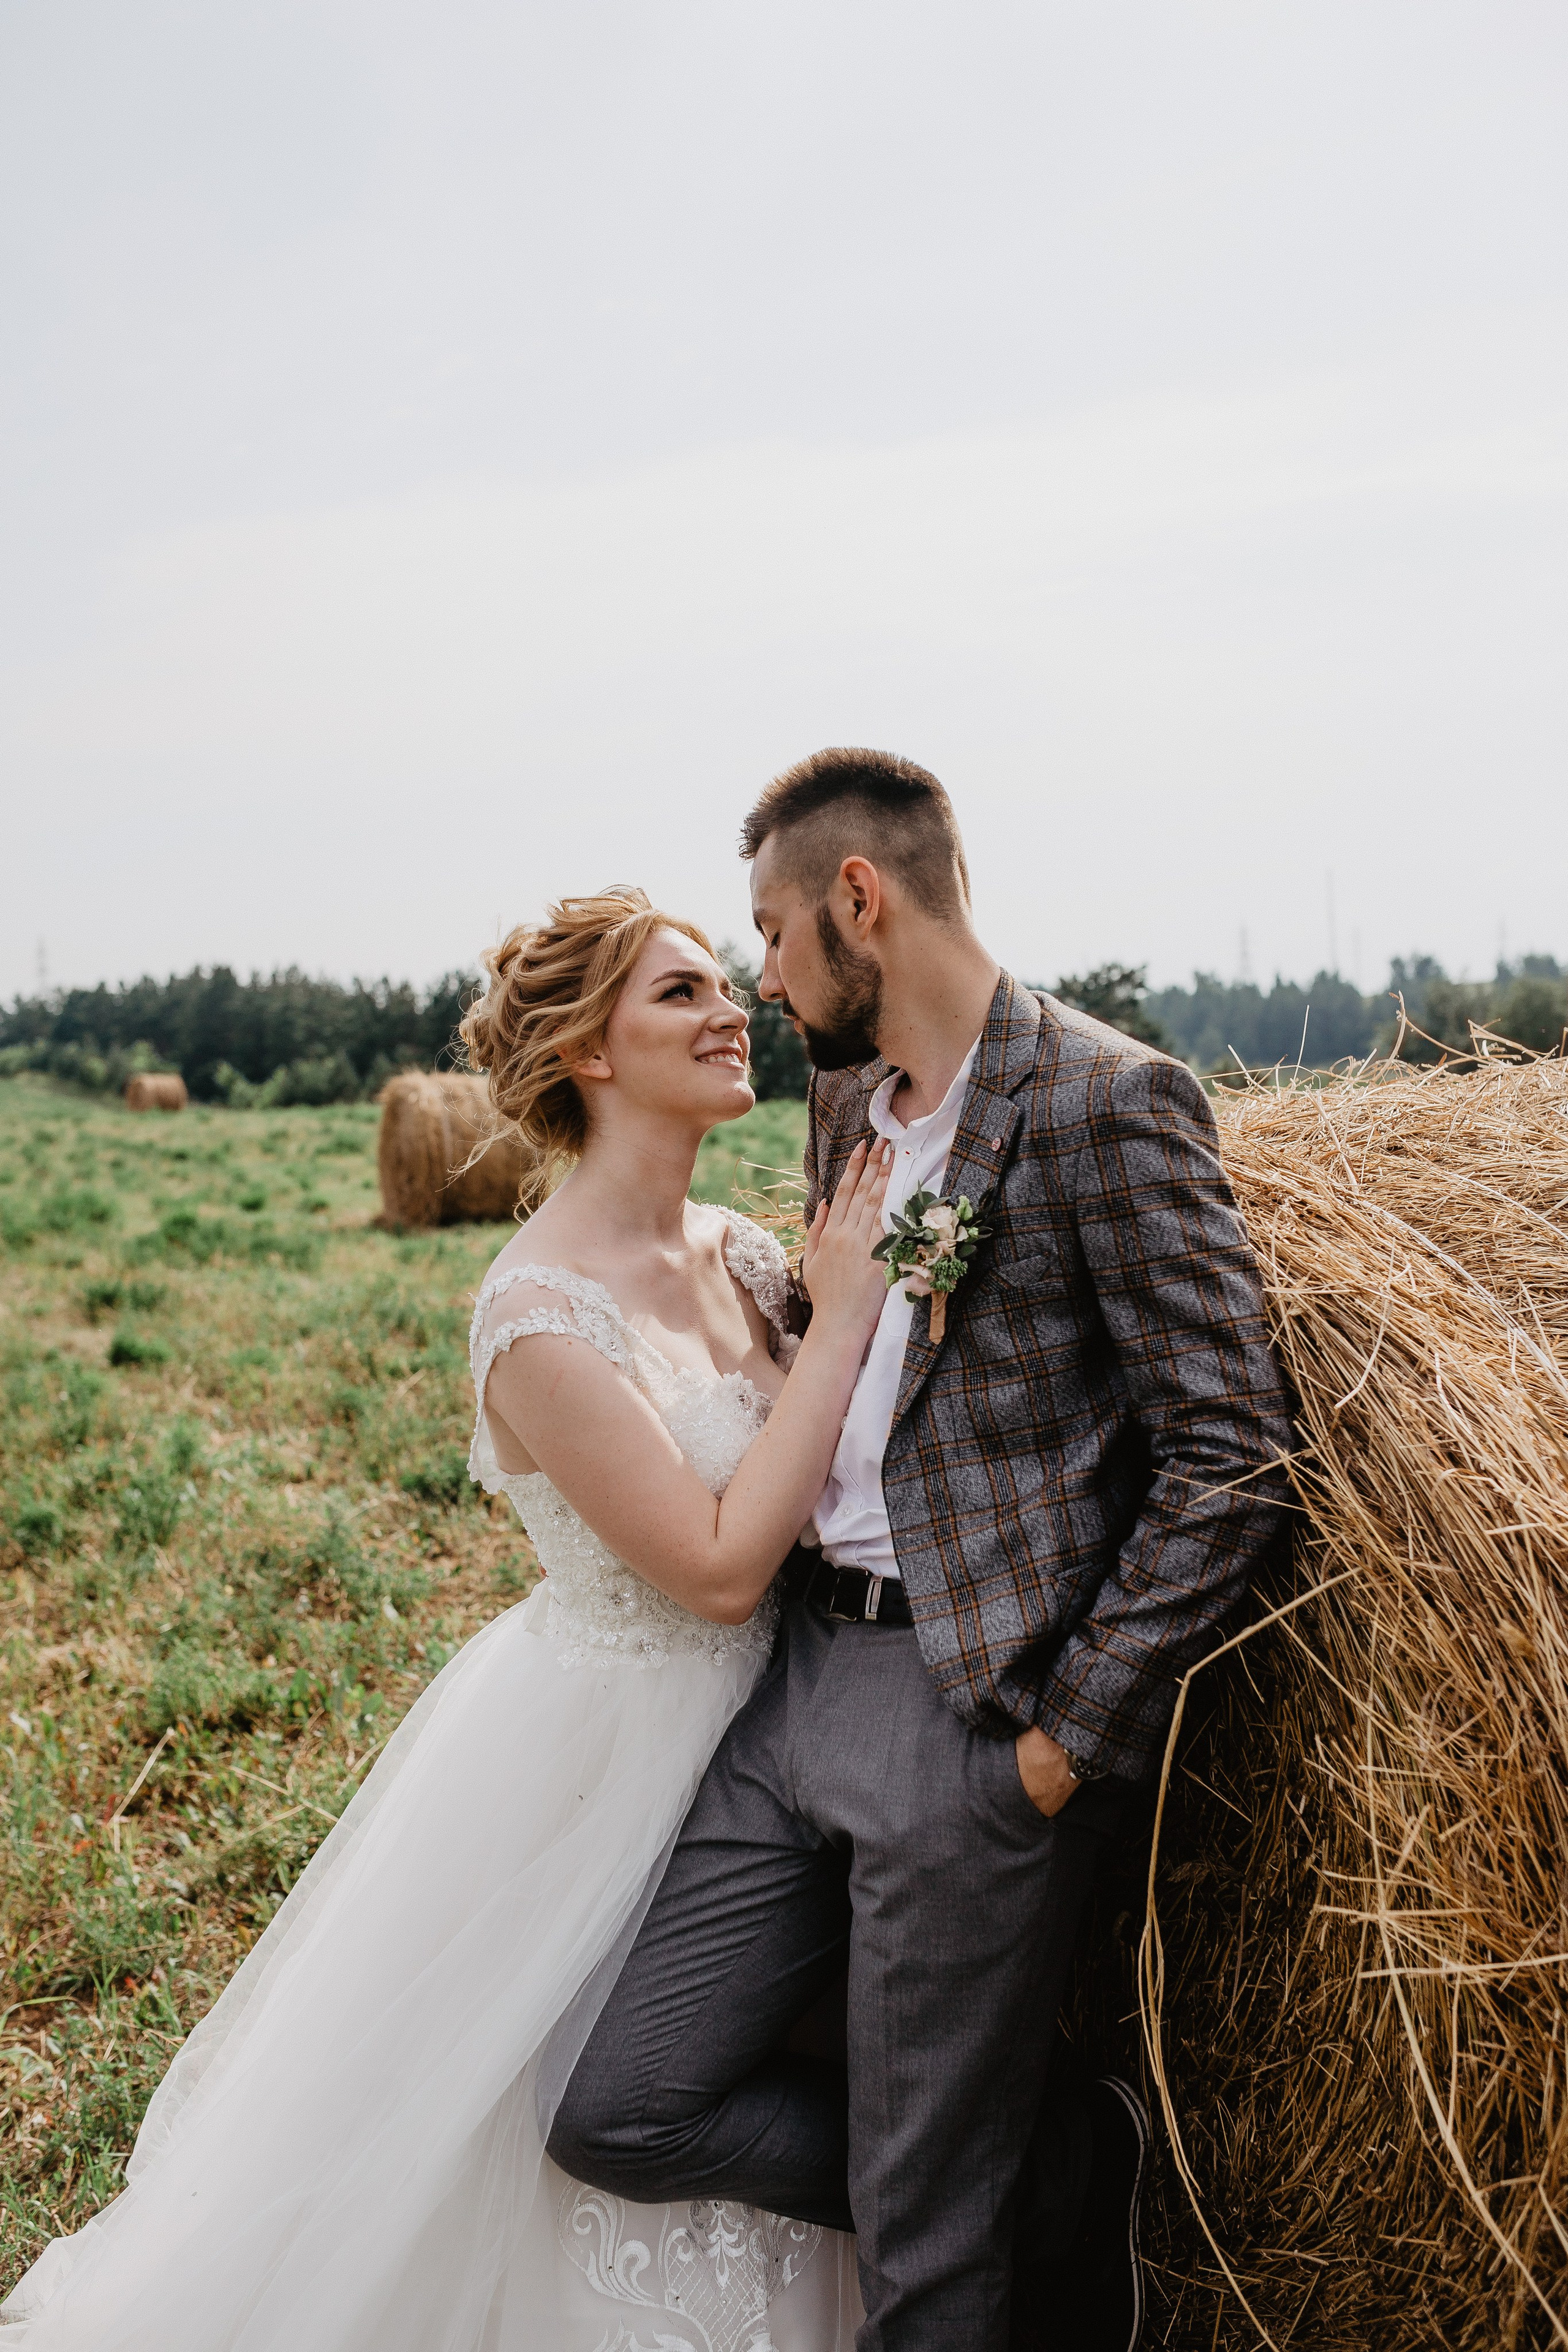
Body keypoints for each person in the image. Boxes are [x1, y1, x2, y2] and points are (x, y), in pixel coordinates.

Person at [0, 888, 891, 2352]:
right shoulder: (540, 1316)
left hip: (784, 1717)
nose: (734, 1006)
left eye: (724, 982)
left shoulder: (741, 1252)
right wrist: (845, 1319)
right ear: (586, 1052)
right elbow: (722, 1569)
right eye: (680, 993)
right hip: (619, 1749)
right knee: (584, 2097)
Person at [548, 751, 1295, 2352]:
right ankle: (1062, 2166)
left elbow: (1234, 1450)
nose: (761, 976)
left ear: (859, 901)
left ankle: (982, 2187)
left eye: (771, 931)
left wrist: (1058, 1748)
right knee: (620, 2103)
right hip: (795, 1677)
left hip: (970, 1722)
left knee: (924, 2266)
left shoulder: (1109, 1103)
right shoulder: (845, 1098)